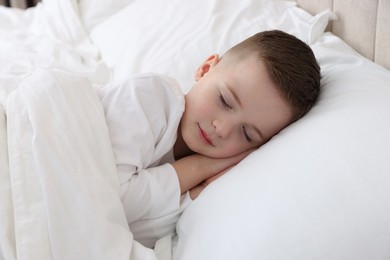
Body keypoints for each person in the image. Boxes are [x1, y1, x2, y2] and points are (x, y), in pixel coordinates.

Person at [97, 30, 321, 247]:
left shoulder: (207, 191)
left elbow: (125, 233)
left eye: (247, 134)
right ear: (205, 69)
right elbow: (104, 199)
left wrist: (197, 189)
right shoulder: (149, 96)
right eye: (224, 100)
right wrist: (201, 167)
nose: (222, 129)